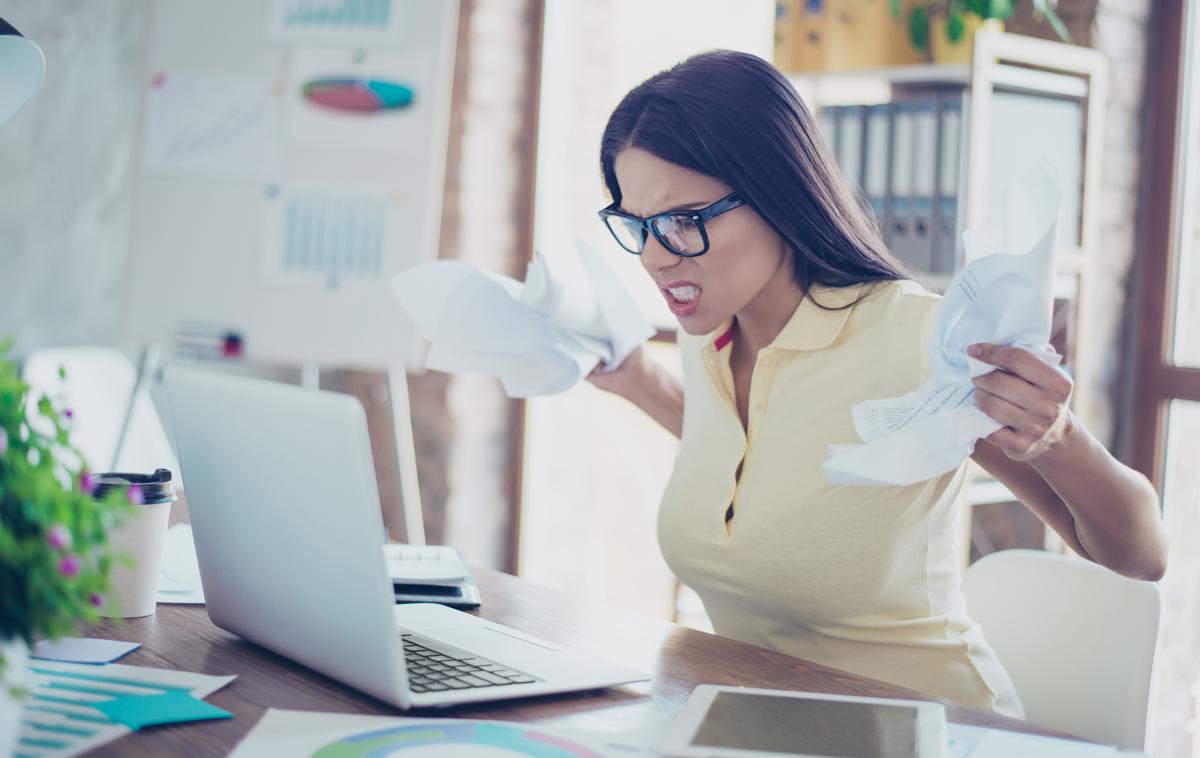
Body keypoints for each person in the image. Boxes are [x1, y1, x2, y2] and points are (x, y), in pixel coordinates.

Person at [586, 50, 1167, 718]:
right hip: (770, 727)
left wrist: (1057, 437)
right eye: (638, 226)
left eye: (684, 220)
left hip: (932, 733)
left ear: (776, 191)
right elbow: (777, 453)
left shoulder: (921, 340)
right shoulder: (710, 332)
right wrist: (636, 381)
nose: (657, 256)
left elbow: (1140, 554)